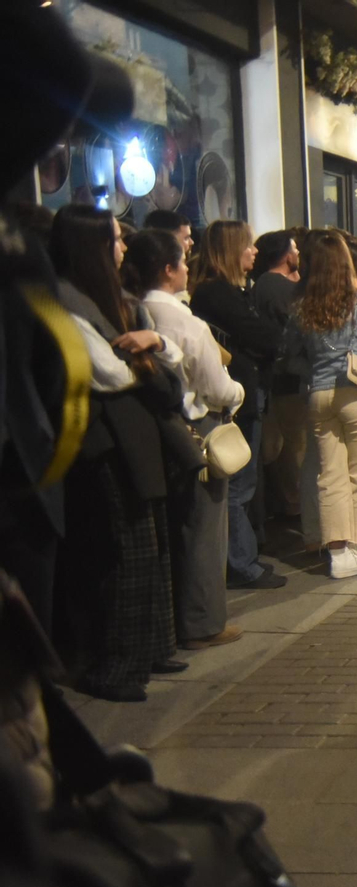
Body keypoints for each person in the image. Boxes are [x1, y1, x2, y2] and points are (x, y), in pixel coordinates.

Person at [50, 207, 184, 701]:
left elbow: (154, 355)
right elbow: (110, 374)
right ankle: (119, 666)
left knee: (150, 547)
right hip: (105, 442)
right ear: (90, 247)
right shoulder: (66, 301)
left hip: (133, 436)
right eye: (114, 240)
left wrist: (151, 344)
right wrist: (150, 354)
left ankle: (151, 648)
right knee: (125, 554)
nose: (124, 248)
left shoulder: (108, 299)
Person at [126, 228, 246, 653]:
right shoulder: (185, 321)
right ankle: (203, 622)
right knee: (204, 528)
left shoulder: (134, 310)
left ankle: (175, 620)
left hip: (159, 430)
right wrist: (239, 394)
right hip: (200, 427)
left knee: (173, 529)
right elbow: (216, 386)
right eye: (181, 260)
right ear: (168, 269)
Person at [282, 231, 357, 579]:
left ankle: (337, 552)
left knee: (328, 475)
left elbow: (289, 358)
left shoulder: (302, 304)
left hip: (318, 394)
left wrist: (315, 370)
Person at [188, 220, 286, 590]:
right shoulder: (218, 295)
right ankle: (241, 564)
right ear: (231, 250)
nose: (254, 251)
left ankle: (244, 558)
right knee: (237, 483)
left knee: (245, 481)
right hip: (235, 398)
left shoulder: (234, 291)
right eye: (247, 245)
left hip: (245, 392)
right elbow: (265, 335)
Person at [249, 230, 307, 519]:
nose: (298, 254)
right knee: (295, 447)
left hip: (286, 377)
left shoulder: (268, 284)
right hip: (287, 380)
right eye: (295, 248)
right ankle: (295, 507)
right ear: (286, 255)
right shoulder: (275, 286)